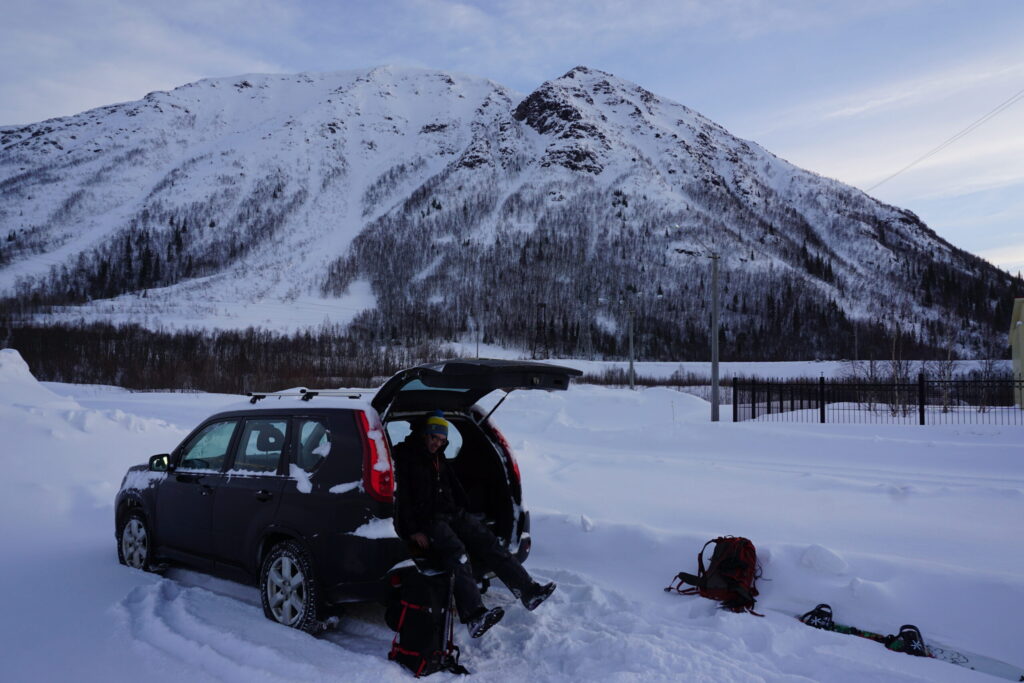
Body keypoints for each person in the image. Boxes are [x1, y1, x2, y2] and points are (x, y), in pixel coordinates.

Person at [392, 410, 555, 638]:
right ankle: (474, 616)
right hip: (426, 520)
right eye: (433, 438)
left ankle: (528, 591)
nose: (437, 444)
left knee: (487, 539)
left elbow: (452, 488)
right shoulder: (405, 457)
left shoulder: (438, 458)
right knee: (457, 552)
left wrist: (466, 511)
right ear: (424, 434)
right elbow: (403, 499)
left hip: (451, 513)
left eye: (441, 440)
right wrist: (413, 531)